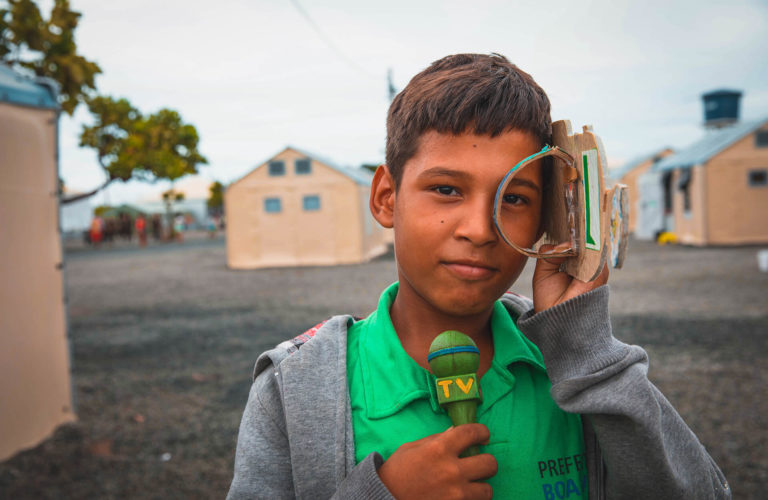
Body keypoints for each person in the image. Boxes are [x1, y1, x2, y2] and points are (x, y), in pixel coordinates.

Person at [227, 54, 730, 499]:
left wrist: (584, 348)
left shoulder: (579, 366)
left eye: (513, 198)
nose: (479, 229)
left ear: (545, 219)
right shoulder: (295, 387)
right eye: (446, 189)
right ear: (386, 198)